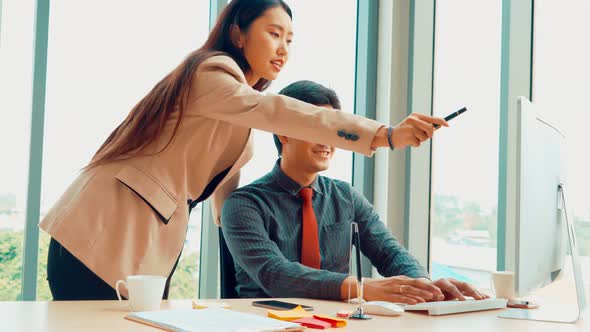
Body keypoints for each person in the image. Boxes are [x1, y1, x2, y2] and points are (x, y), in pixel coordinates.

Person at [40, 0, 448, 301]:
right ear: (237, 33)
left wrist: (235, 229)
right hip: (108, 228)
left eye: (290, 38)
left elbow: (224, 198)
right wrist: (384, 134)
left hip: (148, 238)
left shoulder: (235, 110)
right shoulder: (211, 73)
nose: (284, 48)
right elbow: (277, 110)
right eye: (273, 34)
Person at [221, 80, 486, 304]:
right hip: (266, 324)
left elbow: (389, 253)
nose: (327, 141)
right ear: (284, 133)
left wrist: (425, 286)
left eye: (333, 131)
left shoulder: (345, 196)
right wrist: (363, 288)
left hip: (336, 324)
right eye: (317, 129)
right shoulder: (244, 204)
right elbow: (275, 274)